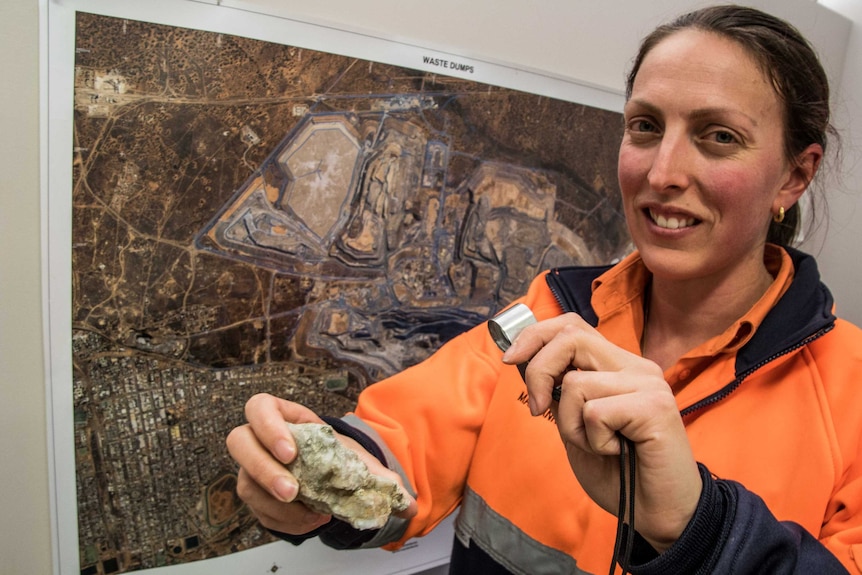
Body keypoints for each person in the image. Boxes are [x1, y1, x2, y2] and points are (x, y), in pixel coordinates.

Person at [227, 5, 862, 574]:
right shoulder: (550, 310)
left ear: (793, 176)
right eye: (644, 126)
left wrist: (696, 528)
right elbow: (410, 437)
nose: (662, 173)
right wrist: (314, 472)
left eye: (718, 136)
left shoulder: (853, 394)